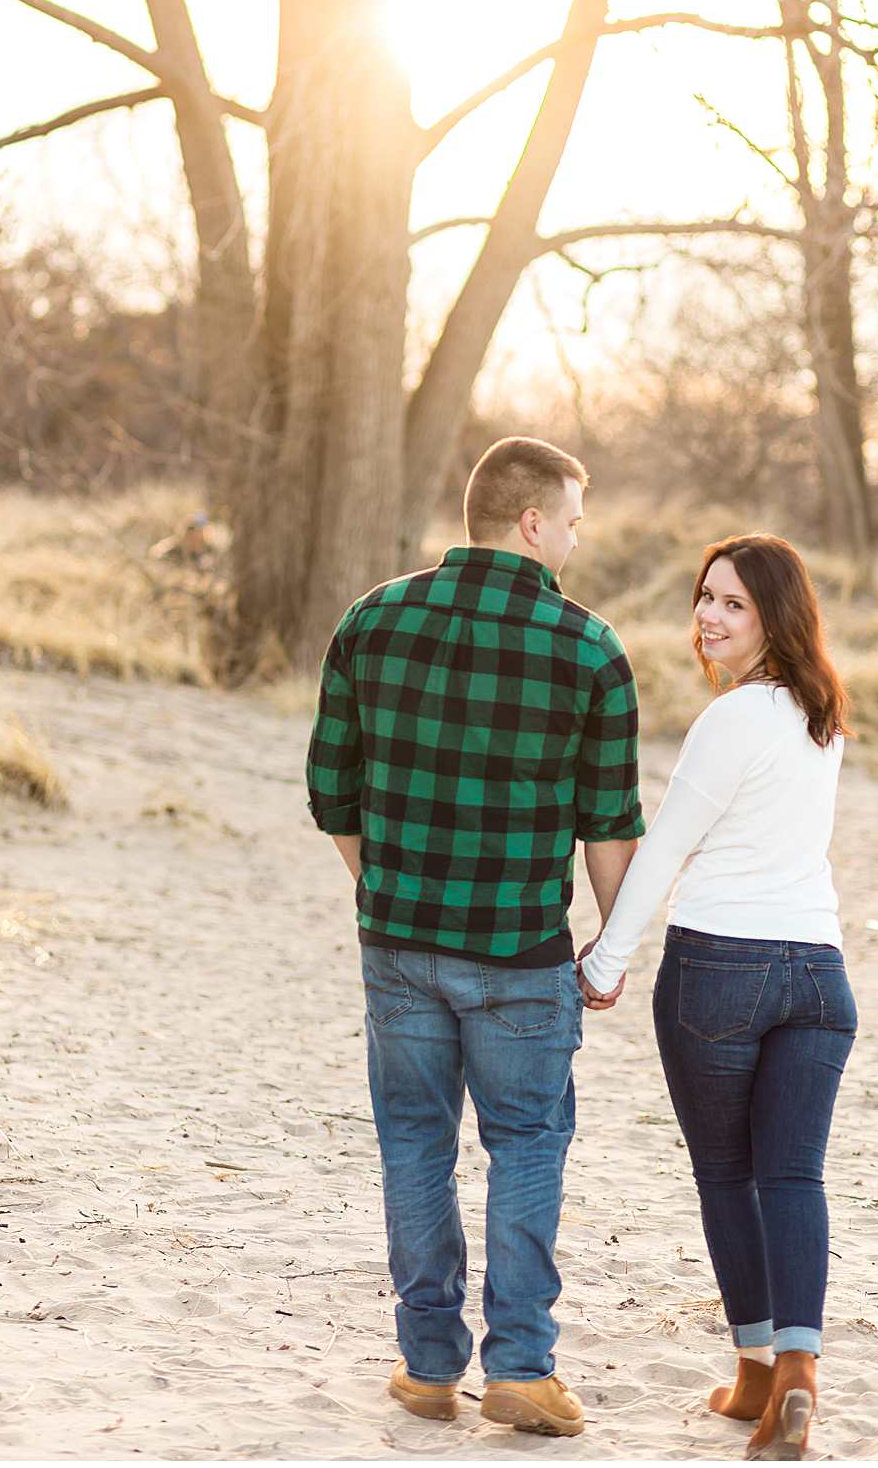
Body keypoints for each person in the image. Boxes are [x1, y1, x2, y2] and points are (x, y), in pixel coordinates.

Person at [306, 436, 645, 1438]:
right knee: (528, 1143)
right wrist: (612, 946)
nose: (577, 540)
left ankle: (425, 1363)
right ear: (534, 521)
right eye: (574, 521)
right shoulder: (590, 647)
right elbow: (608, 823)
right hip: (521, 954)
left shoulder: (371, 619)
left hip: (399, 944)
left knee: (414, 1139)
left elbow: (333, 789)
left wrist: (389, 892)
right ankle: (525, 1367)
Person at [579, 534, 857, 1463]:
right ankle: (801, 1372)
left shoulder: (733, 719)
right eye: (705, 597)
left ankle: (753, 1371)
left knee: (727, 1175)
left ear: (776, 615)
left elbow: (663, 850)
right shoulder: (824, 717)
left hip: (722, 970)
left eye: (733, 603)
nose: (708, 615)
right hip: (820, 975)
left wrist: (608, 959)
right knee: (793, 1176)